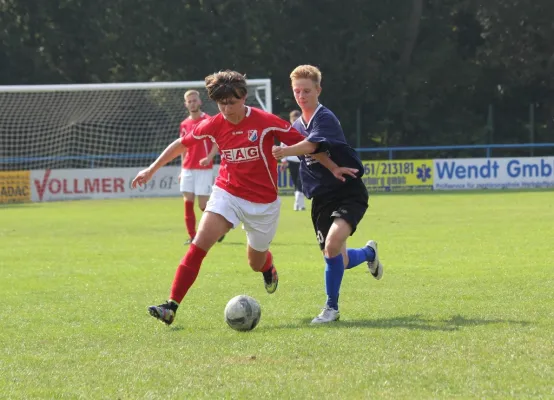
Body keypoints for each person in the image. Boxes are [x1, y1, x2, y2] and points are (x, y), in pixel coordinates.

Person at [132, 70, 356, 326]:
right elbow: (182, 144)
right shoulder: (215, 124)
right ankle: (170, 306)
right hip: (227, 192)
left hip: (263, 205)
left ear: (244, 97)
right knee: (199, 244)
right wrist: (151, 169)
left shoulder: (266, 121)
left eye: (232, 102)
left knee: (255, 261)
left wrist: (333, 167)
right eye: (221, 104)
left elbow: (309, 146)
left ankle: (268, 268)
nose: (227, 109)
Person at [272, 65, 384, 324]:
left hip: (348, 190)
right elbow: (317, 153)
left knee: (332, 246)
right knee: (339, 259)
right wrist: (332, 167)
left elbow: (312, 145)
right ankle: (369, 253)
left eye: (307, 91)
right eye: (297, 91)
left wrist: (284, 150)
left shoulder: (325, 117)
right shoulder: (298, 124)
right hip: (322, 198)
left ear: (318, 90)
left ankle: (331, 309)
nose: (301, 96)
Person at [178, 90, 222, 245]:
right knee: (187, 201)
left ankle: (219, 229)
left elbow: (217, 142)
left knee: (203, 205)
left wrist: (209, 157)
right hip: (188, 168)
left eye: (194, 100)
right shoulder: (184, 124)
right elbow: (182, 147)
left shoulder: (208, 121)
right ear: (186, 104)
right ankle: (192, 236)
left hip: (203, 168)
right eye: (189, 101)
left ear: (200, 102)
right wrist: (181, 169)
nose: (192, 103)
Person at [280, 110, 306, 211]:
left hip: (302, 161)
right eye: (293, 120)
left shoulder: (304, 130)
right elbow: (283, 146)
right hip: (291, 160)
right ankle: (301, 204)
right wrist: (284, 161)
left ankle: (297, 203)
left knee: (301, 182)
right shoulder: (287, 131)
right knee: (296, 183)